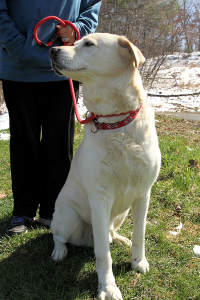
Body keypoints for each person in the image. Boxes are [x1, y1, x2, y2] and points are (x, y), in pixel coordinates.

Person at [0, 0, 101, 238]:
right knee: (24, 142)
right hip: (19, 68)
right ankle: (23, 211)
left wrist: (77, 29)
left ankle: (54, 209)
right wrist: (16, 45)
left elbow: (91, 7)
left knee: (59, 144)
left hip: (65, 66)